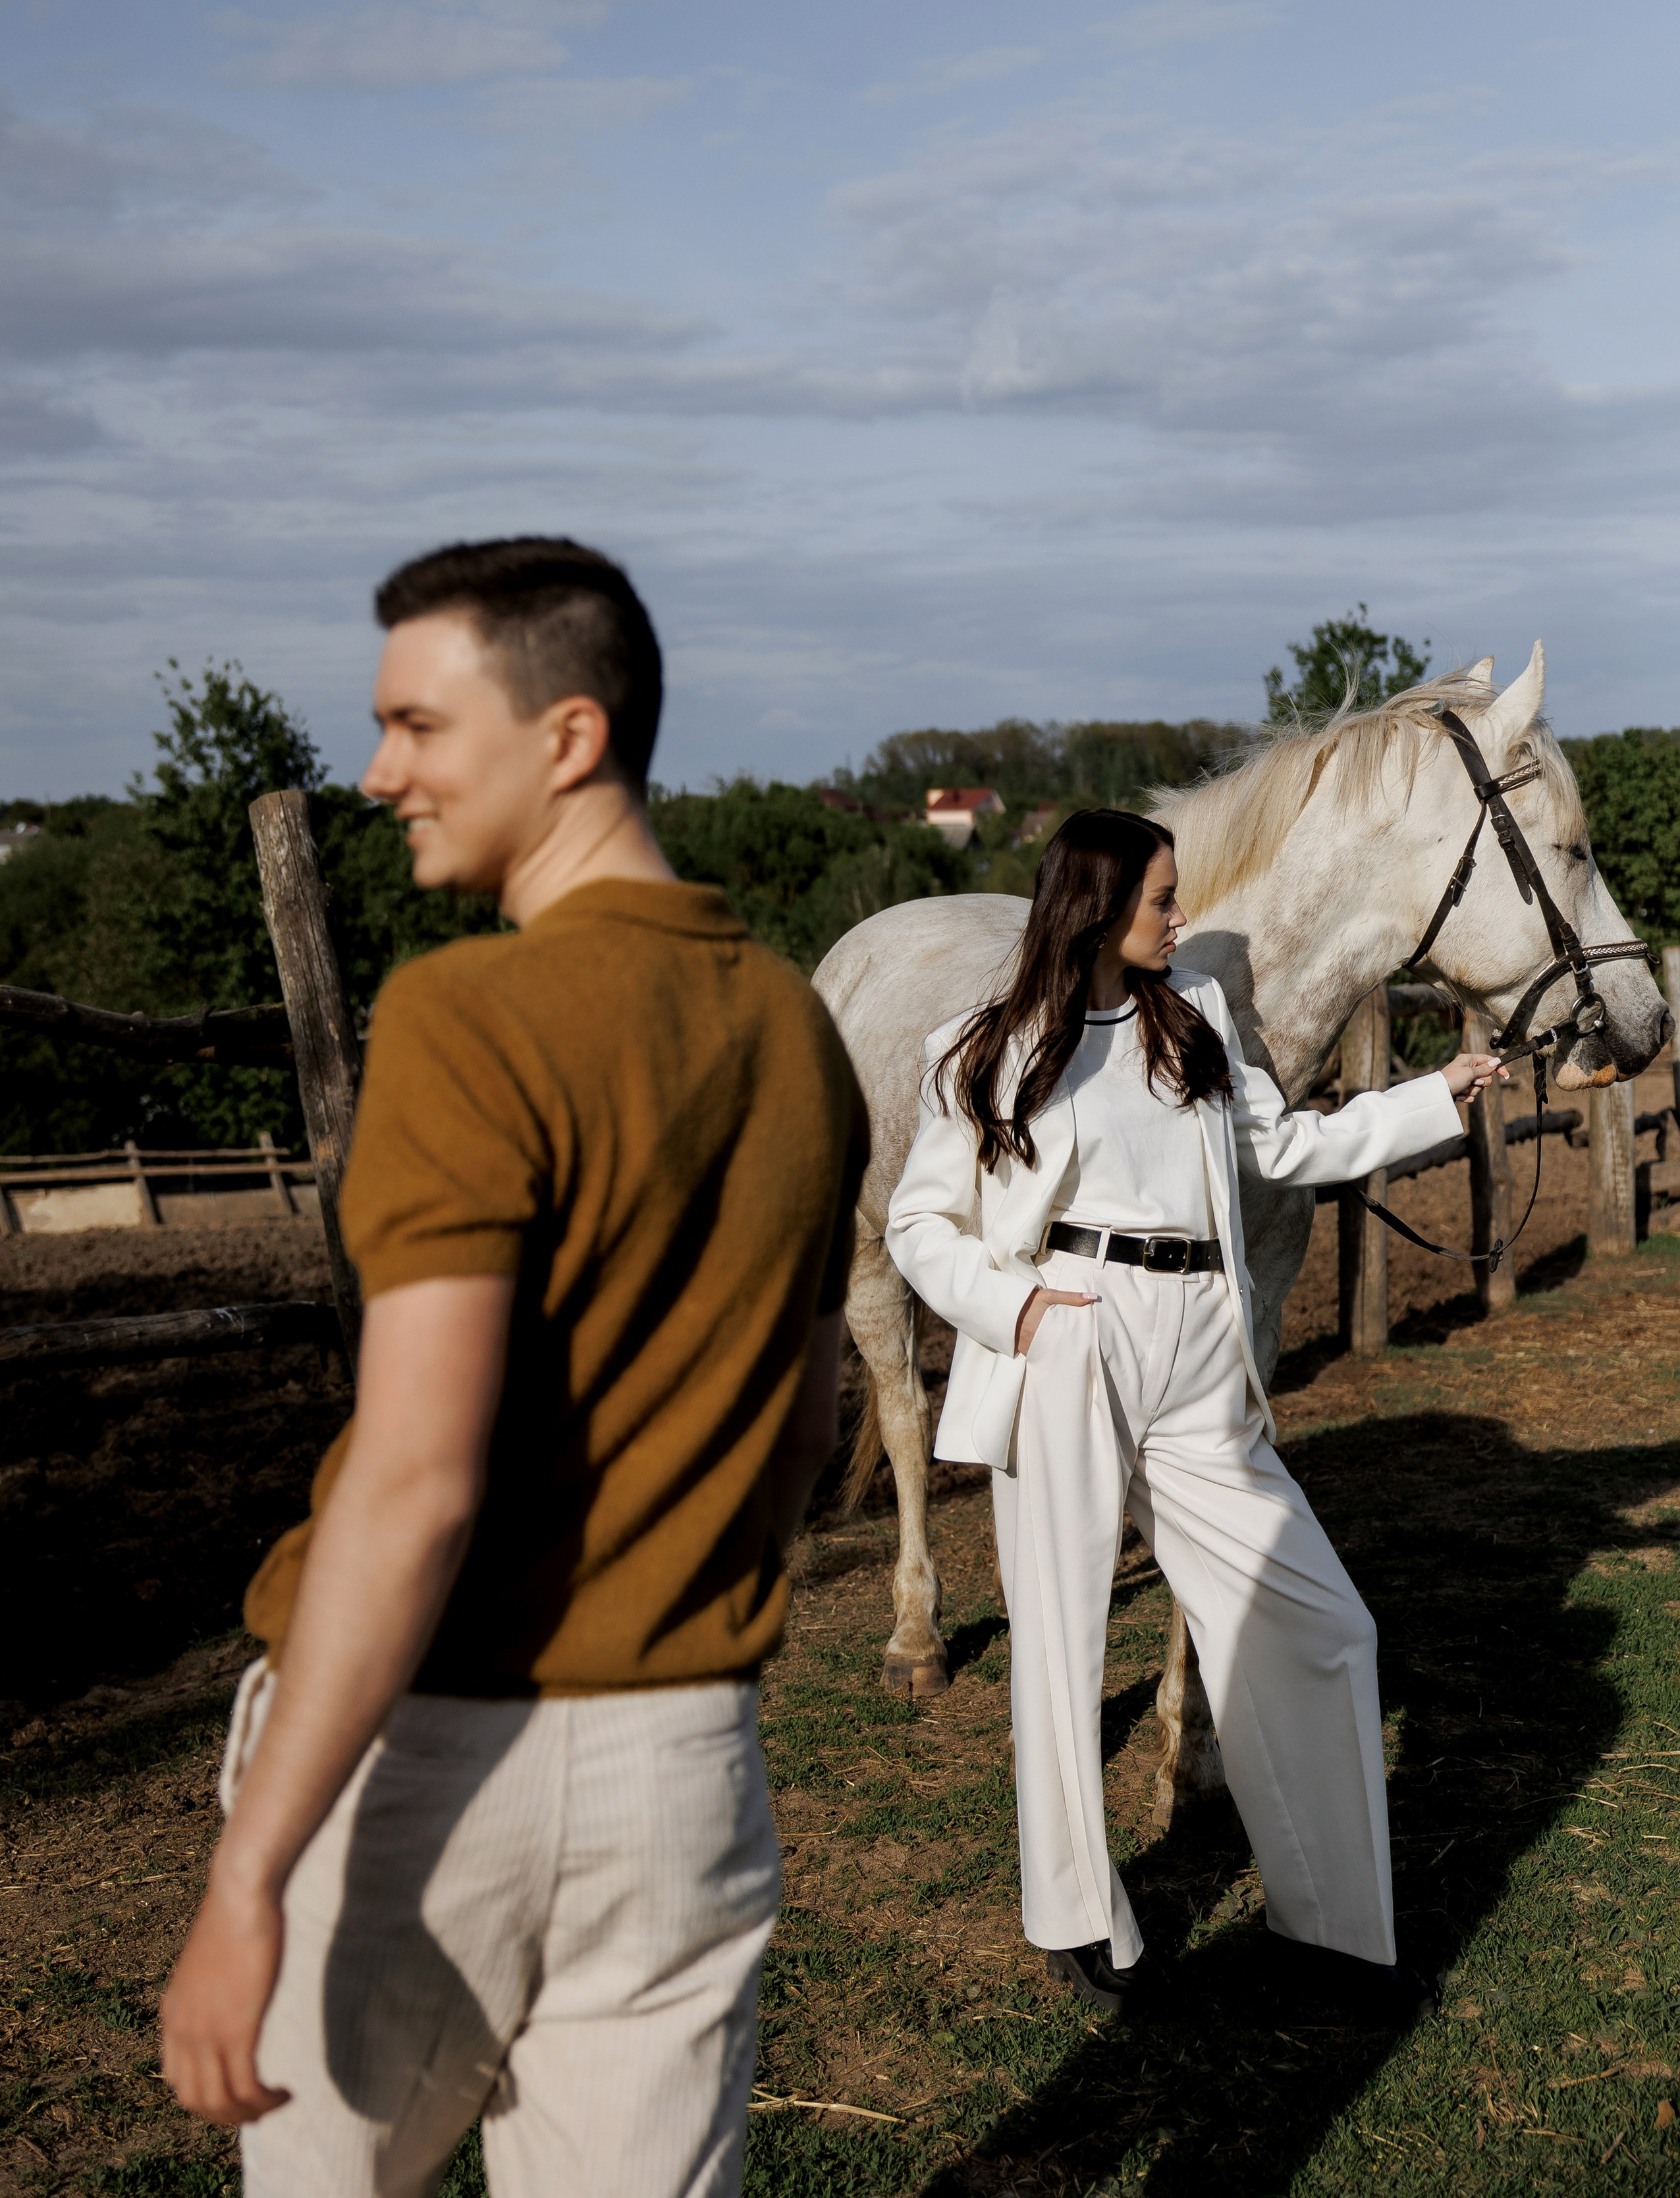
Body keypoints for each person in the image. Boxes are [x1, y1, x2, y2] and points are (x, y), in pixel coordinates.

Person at [160, 536, 869, 2197]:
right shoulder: (790, 1024)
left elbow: (415, 1485)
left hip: (428, 1759)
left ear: (566, 736)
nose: (377, 770)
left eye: (417, 724)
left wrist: (251, 1872)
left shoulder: (466, 1016)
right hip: (687, 1765)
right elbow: (810, 1420)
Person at [885, 809, 1505, 2023]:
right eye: (1164, 900)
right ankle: (1076, 1919)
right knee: (1061, 1643)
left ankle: (1333, 1924)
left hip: (1197, 1349)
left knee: (1320, 1620)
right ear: (1099, 906)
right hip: (1068, 1332)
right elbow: (921, 1220)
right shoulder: (988, 1046)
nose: (1182, 918)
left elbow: (1284, 1145)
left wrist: (1438, 1094)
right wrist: (1015, 1313)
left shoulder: (1199, 1020)